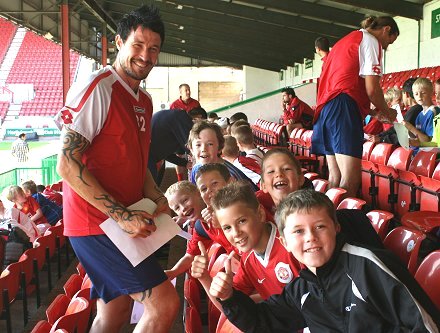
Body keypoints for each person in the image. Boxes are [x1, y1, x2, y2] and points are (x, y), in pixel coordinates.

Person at [55, 5, 179, 332]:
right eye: (138, 45)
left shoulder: (145, 100)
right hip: (97, 225)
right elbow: (67, 163)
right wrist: (122, 217)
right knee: (164, 304)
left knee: (115, 312)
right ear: (119, 42)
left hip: (125, 223)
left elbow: (137, 164)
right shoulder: (99, 87)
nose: (146, 55)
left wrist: (156, 196)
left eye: (154, 49)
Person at [212, 190, 440, 332]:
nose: (311, 237)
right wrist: (229, 297)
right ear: (285, 242)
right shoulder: (302, 289)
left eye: (319, 226)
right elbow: (263, 322)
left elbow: (427, 325)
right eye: (298, 231)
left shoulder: (368, 265)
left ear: (336, 228)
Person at [312, 16, 399, 198]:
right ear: (386, 30)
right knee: (350, 181)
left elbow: (346, 82)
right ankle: (339, 225)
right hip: (342, 107)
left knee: (334, 178)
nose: (385, 48)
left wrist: (373, 112)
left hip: (326, 108)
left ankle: (324, 220)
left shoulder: (347, 40)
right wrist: (387, 112)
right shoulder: (371, 41)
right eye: (388, 43)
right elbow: (372, 89)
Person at [191, 182, 301, 310]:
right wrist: (204, 278)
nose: (236, 233)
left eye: (242, 221)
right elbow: (231, 309)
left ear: (260, 214)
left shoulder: (292, 245)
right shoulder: (248, 259)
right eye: (227, 228)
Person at [188, 121, 257, 190]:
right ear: (191, 149)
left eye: (210, 144)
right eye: (198, 145)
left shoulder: (230, 174)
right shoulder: (196, 170)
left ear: (220, 148)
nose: (203, 149)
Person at [164, 181, 210, 280]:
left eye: (185, 200)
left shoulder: (222, 210)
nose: (183, 208)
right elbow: (190, 255)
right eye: (177, 208)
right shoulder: (199, 228)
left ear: (198, 193)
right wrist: (173, 272)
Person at [148, 109, 194, 184]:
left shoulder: (174, 124)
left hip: (153, 156)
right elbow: (193, 148)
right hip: (148, 158)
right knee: (150, 189)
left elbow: (166, 154)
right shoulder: (182, 118)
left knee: (154, 187)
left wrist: (185, 163)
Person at [403, 78, 439, 145]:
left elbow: (428, 141)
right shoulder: (420, 115)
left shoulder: (433, 111)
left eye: (423, 93)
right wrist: (407, 131)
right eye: (416, 94)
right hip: (421, 150)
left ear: (431, 93)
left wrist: (410, 128)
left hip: (431, 152)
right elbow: (418, 137)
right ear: (413, 95)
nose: (419, 96)